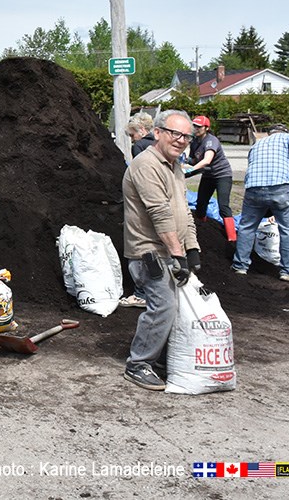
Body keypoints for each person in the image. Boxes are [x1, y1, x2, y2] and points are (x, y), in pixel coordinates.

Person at [121, 110, 201, 390]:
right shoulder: (146, 165)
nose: (180, 140)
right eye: (174, 133)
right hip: (149, 253)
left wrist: (192, 249)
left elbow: (183, 211)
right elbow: (159, 213)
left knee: (175, 307)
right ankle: (138, 364)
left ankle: (162, 359)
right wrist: (178, 254)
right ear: (157, 133)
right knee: (163, 306)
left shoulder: (175, 166)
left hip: (171, 249)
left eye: (186, 136)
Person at [231, 124, 289, 281]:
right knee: (288, 229)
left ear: (268, 133)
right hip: (279, 187)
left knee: (247, 227)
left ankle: (240, 266)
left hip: (253, 188)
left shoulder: (257, 144)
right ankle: (288, 271)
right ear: (284, 131)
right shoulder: (287, 137)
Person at [119, 111, 156, 308]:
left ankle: (141, 293)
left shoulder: (140, 146)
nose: (132, 138)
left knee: (139, 249)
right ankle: (156, 290)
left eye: (132, 134)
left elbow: (141, 174)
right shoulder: (158, 145)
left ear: (141, 131)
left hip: (143, 203)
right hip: (159, 202)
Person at [184, 115, 236, 245]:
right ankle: (203, 231)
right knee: (201, 203)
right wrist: (185, 160)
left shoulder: (211, 140)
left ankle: (232, 238)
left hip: (222, 175)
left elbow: (206, 160)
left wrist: (190, 170)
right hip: (208, 175)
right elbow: (195, 160)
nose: (195, 128)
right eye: (194, 126)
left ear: (206, 128)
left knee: (223, 206)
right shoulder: (195, 142)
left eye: (198, 126)